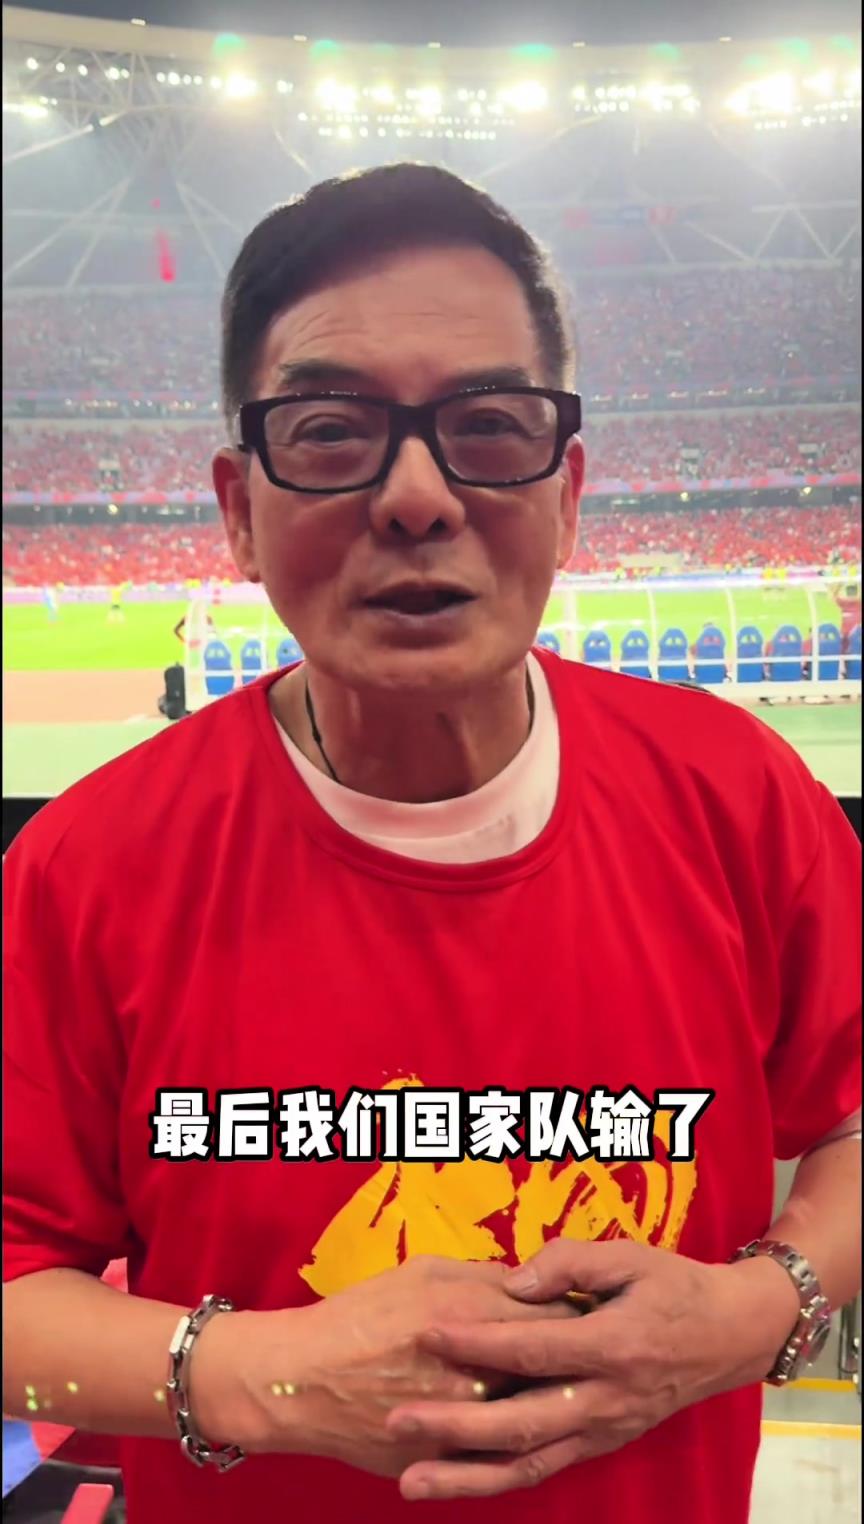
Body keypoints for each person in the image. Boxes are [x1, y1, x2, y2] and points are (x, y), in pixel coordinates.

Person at [3, 164, 860, 1524]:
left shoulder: (737, 796)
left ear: (568, 495)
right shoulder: (86, 866)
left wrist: (763, 1307)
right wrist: (265, 1377)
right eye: (331, 432)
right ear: (238, 510)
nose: (416, 497)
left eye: (490, 426)